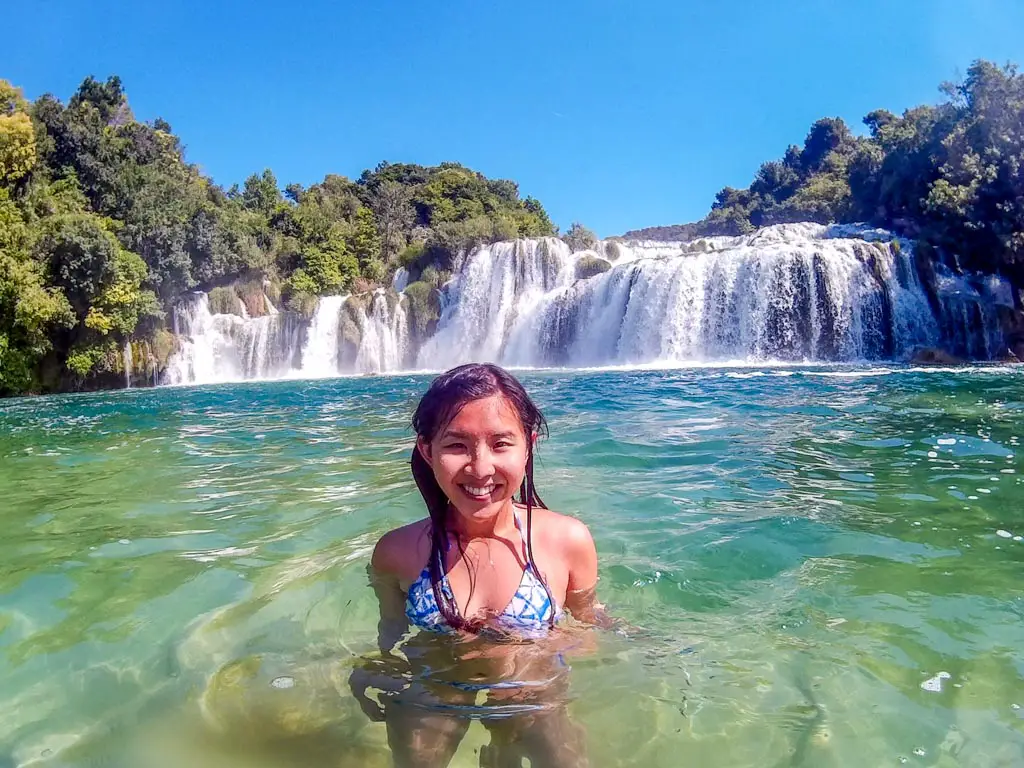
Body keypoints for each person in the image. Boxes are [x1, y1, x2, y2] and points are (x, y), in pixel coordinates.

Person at [351, 363, 604, 768]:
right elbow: (391, 631)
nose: (481, 468)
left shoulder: (566, 541)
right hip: (437, 686)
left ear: (529, 446)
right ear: (426, 450)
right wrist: (373, 667)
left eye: (501, 444)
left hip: (532, 688)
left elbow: (587, 629)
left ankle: (503, 745)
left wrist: (529, 649)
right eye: (456, 445)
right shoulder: (397, 551)